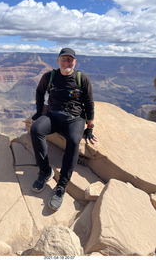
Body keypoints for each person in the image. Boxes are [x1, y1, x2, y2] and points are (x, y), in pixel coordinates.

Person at [30, 47, 97, 211]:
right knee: (36, 130)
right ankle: (45, 171)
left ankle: (61, 186)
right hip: (53, 116)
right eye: (64, 59)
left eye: (70, 59)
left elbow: (89, 104)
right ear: (58, 60)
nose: (67, 62)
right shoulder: (50, 76)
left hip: (75, 119)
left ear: (75, 62)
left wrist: (89, 128)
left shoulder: (82, 78)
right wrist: (39, 113)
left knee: (74, 141)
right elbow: (39, 92)